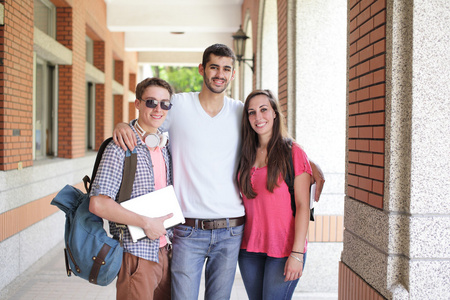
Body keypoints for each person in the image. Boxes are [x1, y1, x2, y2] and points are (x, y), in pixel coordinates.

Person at [113, 44, 325, 300]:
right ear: (202, 69)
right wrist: (125, 124)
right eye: (214, 67)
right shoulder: (178, 105)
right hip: (187, 229)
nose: (219, 74)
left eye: (226, 69)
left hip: (231, 230)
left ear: (233, 74)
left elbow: (271, 139)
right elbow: (149, 120)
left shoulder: (240, 111)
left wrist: (309, 161)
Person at [89, 77, 175, 300]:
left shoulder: (165, 146)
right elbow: (98, 203)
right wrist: (146, 223)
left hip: (166, 251)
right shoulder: (120, 147)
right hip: (136, 255)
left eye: (165, 103)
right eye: (151, 102)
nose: (158, 109)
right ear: (137, 104)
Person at [237, 89, 311, 300]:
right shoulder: (245, 153)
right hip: (249, 249)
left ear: (275, 113)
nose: (258, 117)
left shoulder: (293, 152)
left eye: (263, 110)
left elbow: (303, 206)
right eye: (252, 112)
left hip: (285, 249)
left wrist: (297, 254)